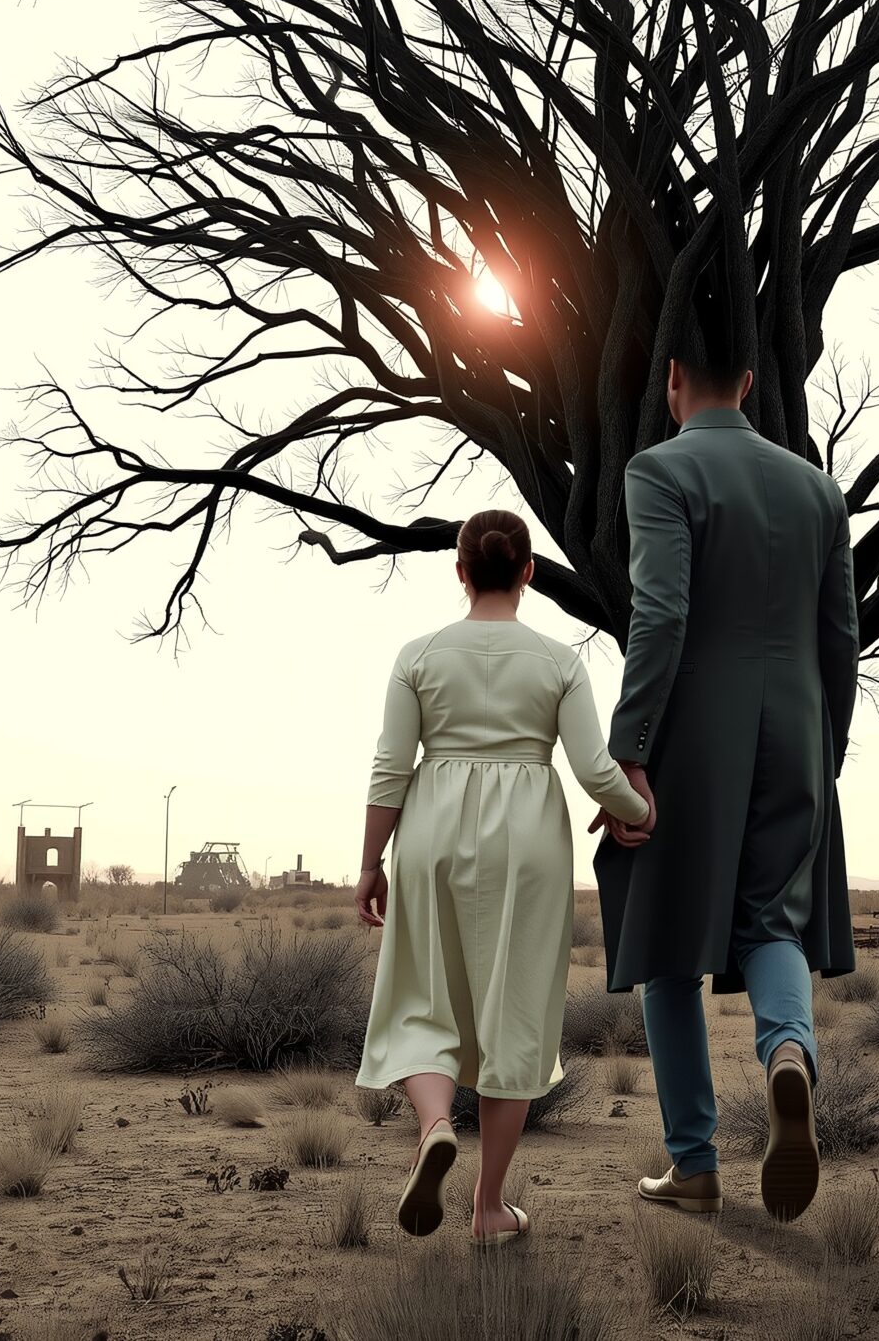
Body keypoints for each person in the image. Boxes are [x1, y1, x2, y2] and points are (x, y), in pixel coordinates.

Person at [595, 354, 859, 1223]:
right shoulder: (819, 492)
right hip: (798, 729)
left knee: (669, 943)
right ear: (749, 379)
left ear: (670, 377)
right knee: (772, 918)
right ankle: (788, 1050)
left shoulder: (659, 470)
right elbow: (840, 641)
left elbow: (660, 614)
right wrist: (830, 748)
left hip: (693, 736)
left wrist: (628, 750)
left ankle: (695, 1164)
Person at [353, 510, 653, 1244]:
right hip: (528, 838)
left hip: (431, 828)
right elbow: (590, 767)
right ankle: (488, 1207)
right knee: (514, 1015)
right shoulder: (558, 659)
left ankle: (432, 1127)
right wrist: (636, 809)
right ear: (527, 573)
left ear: (460, 571)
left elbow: (392, 765)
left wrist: (370, 861)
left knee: (422, 996)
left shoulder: (418, 653)